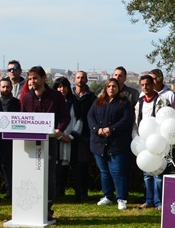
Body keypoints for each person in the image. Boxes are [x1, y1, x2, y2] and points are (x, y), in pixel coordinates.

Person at [19, 66, 70, 220]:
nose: (32, 81)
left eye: (35, 78)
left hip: (50, 142)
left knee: (48, 174)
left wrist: (59, 130)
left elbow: (65, 117)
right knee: (31, 173)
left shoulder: (55, 96)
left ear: (43, 78)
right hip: (30, 144)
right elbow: (22, 118)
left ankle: (47, 207)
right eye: (30, 78)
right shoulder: (26, 98)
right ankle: (31, 204)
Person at [87, 78, 133, 210]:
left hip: (117, 144)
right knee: (104, 171)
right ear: (105, 88)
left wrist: (111, 129)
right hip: (99, 143)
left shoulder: (124, 103)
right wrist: (97, 129)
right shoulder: (98, 101)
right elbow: (90, 117)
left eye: (114, 86)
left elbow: (126, 120)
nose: (111, 88)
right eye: (109, 86)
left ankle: (121, 198)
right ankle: (107, 196)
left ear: (118, 88)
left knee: (117, 171)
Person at [133, 73, 175, 210]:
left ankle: (159, 202)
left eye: (148, 84)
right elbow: (135, 121)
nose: (145, 87)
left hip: (158, 141)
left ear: (153, 85)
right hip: (144, 142)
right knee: (147, 173)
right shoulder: (139, 103)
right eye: (143, 85)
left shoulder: (162, 101)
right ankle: (148, 200)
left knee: (158, 173)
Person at [0, 77, 20, 202]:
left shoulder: (17, 103)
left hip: (11, 143)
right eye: (3, 87)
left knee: (10, 171)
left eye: (8, 86)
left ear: (11, 88)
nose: (5, 89)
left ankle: (11, 195)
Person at [52, 76, 81, 200]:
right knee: (57, 166)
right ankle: (58, 192)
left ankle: (78, 194)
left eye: (64, 86)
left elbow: (80, 119)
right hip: (56, 138)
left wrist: (71, 136)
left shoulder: (74, 101)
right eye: (59, 86)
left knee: (72, 166)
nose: (62, 89)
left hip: (71, 139)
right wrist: (58, 136)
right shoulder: (51, 102)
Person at [71, 71, 96, 203]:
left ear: (86, 80)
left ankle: (84, 193)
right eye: (78, 77)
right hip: (70, 134)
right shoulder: (70, 96)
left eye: (83, 78)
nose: (80, 80)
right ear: (75, 80)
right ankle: (75, 193)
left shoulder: (92, 97)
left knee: (84, 166)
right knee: (73, 166)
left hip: (86, 135)